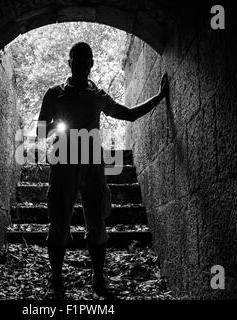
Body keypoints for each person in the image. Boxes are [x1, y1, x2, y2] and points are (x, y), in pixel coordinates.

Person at [36, 42, 169, 299]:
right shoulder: (54, 93)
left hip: (93, 164)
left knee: (96, 223)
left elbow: (128, 114)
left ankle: (98, 276)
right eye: (76, 59)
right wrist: (62, 124)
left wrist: (160, 97)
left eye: (86, 60)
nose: (81, 64)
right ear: (69, 62)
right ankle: (56, 278)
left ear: (92, 64)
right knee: (59, 223)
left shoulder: (98, 95)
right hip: (63, 161)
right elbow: (41, 131)